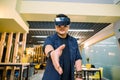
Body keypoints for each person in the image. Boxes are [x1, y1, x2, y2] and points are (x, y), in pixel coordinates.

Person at [42, 14, 82, 80]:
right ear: (55, 26)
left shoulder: (74, 41)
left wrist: (79, 76)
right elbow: (48, 47)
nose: (62, 27)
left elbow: (78, 58)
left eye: (65, 25)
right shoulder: (50, 39)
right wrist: (52, 53)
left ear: (69, 26)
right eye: (59, 25)